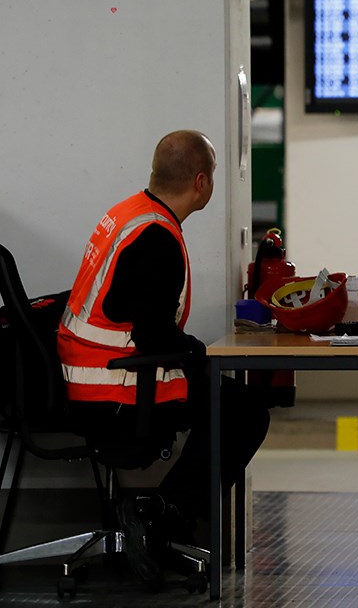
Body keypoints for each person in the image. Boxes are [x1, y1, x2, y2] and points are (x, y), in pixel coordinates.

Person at [57, 130, 270, 588]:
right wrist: (201, 354)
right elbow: (154, 337)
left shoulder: (129, 213)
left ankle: (157, 515)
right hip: (113, 388)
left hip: (87, 375)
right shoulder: (157, 239)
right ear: (201, 182)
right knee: (245, 411)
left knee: (224, 397)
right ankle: (157, 516)